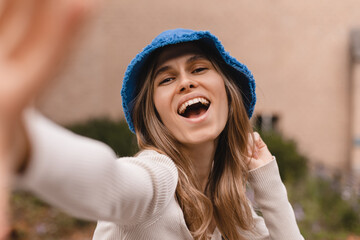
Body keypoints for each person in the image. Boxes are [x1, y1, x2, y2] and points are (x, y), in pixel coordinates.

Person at [0, 1, 304, 240]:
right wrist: (23, 142)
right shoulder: (157, 178)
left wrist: (267, 177)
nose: (185, 82)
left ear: (227, 93)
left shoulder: (234, 214)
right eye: (167, 79)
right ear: (154, 113)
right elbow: (110, 181)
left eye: (198, 69)